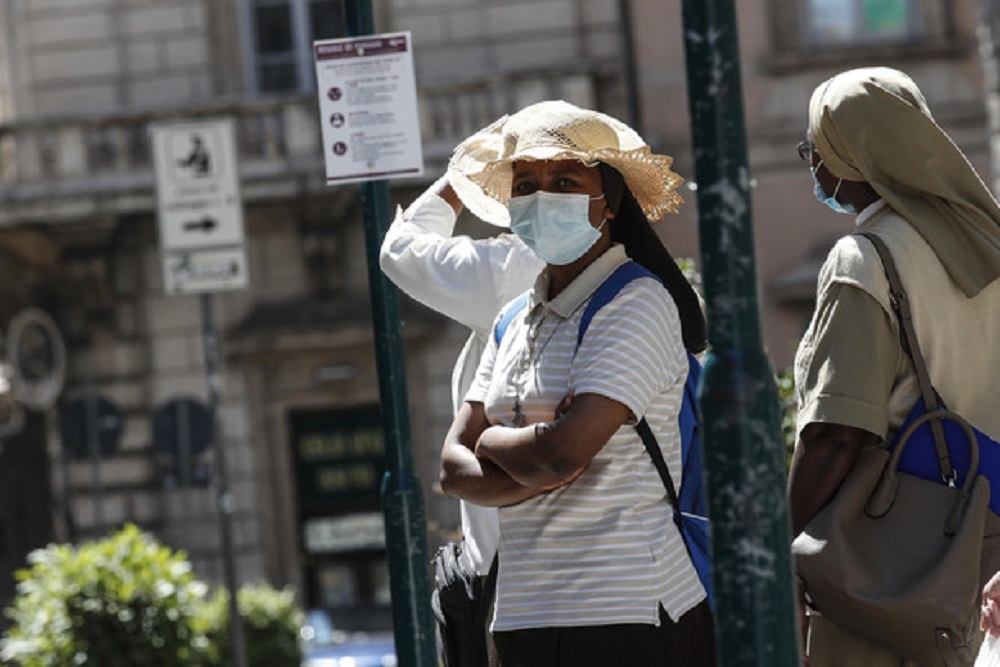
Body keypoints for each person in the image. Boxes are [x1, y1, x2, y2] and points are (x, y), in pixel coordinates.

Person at [438, 100, 712, 667]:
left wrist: (495, 443)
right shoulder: (512, 319)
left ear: (606, 202)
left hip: (631, 614)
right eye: (527, 184)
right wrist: (532, 454)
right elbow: (451, 468)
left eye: (564, 180)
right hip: (523, 616)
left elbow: (561, 454)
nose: (542, 198)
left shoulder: (636, 302)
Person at [787, 67, 1000, 666]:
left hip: (895, 561)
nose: (814, 168)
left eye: (815, 150)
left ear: (847, 156)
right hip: (987, 551)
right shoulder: (989, 244)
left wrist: (783, 552)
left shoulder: (867, 258)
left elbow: (835, 433)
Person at [380, 162, 544, 664]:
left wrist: (462, 176)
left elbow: (401, 249)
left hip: (518, 584)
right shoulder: (647, 283)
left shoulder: (513, 269)